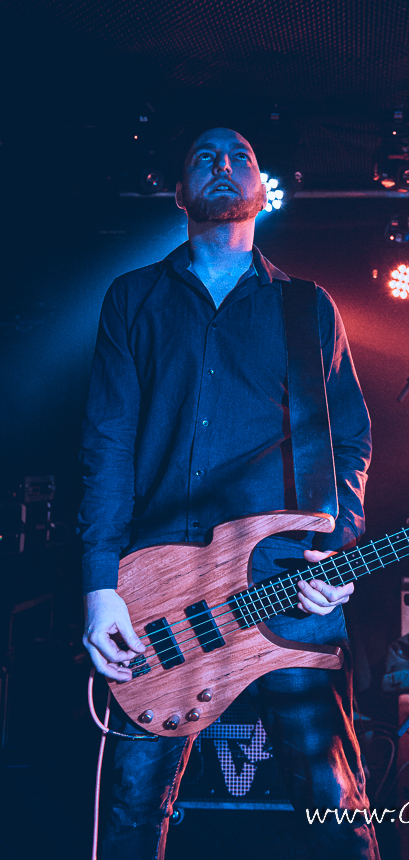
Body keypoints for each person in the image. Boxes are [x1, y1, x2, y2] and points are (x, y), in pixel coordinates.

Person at [80, 126, 380, 859]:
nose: (222, 165)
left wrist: (335, 548)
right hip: (157, 590)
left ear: (261, 190)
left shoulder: (307, 307)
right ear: (179, 193)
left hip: (284, 582)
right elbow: (107, 445)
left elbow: (349, 442)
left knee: (334, 806)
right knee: (130, 811)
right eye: (203, 159)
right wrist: (99, 586)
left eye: (239, 156)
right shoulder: (133, 298)